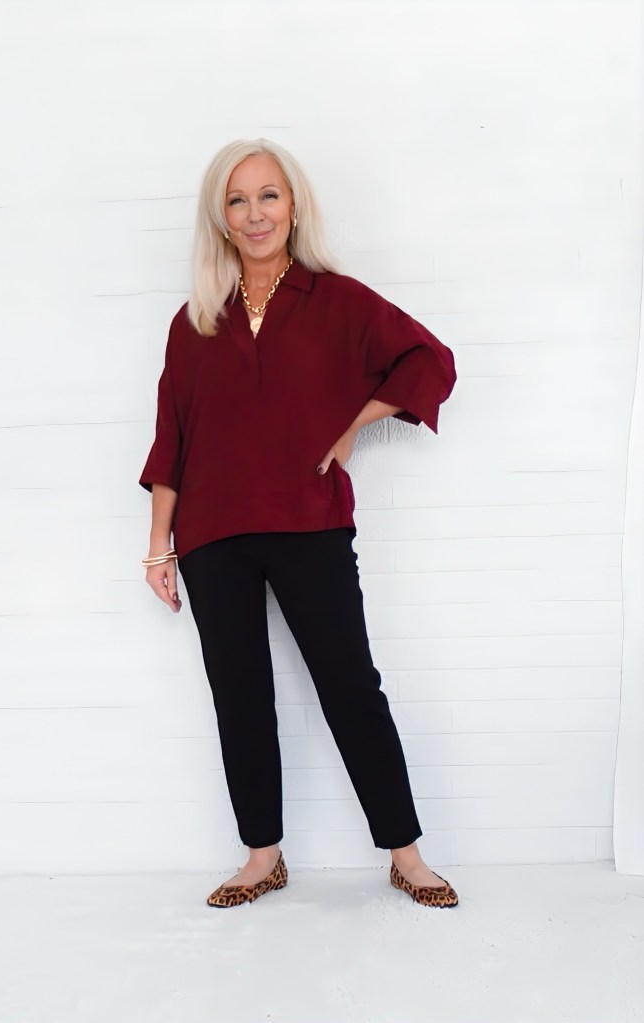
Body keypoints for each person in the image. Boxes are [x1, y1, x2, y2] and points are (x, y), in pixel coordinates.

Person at [138, 138, 458, 910]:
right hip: (213, 535)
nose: (255, 214)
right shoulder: (195, 321)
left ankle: (406, 853)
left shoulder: (339, 300)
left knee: (351, 686)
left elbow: (430, 359)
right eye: (238, 200)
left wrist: (358, 423)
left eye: (269, 195)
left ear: (293, 204)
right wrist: (158, 547)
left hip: (309, 522)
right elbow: (171, 436)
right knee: (238, 693)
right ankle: (262, 857)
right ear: (221, 216)